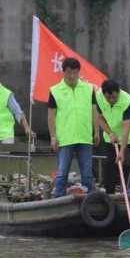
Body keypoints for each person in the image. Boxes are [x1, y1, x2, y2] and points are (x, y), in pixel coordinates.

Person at [47, 58, 100, 197]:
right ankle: (57, 198)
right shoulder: (55, 90)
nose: (72, 76)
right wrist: (53, 137)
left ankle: (89, 200)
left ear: (78, 72)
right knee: (62, 172)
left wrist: (97, 131)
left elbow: (94, 111)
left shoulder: (89, 89)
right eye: (69, 72)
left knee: (87, 173)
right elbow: (51, 116)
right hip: (65, 138)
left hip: (84, 136)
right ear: (63, 72)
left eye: (75, 73)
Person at [96, 79, 130, 194]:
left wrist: (122, 151)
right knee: (109, 163)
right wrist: (110, 133)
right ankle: (110, 193)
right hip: (112, 135)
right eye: (108, 98)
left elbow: (126, 127)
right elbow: (99, 118)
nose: (111, 100)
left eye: (114, 97)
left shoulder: (127, 101)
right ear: (104, 94)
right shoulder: (98, 96)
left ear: (118, 92)